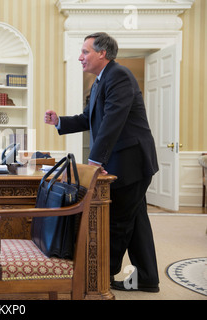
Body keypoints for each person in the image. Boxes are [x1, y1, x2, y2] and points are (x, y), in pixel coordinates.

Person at [44, 32, 160, 292]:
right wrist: (60, 121)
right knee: (136, 220)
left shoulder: (119, 75)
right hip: (126, 162)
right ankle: (148, 279)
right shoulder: (99, 82)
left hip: (130, 164)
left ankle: (101, 277)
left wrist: (94, 162)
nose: (80, 57)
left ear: (102, 53)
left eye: (85, 52)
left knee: (117, 221)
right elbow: (88, 119)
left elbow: (112, 122)